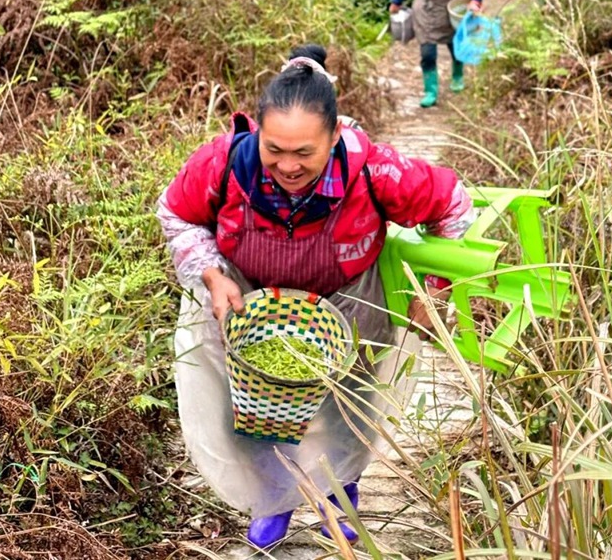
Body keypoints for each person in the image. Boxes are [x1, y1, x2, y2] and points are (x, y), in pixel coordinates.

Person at [157, 44, 476, 549]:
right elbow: (177, 212)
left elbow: (454, 205)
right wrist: (211, 274)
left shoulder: (375, 170)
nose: (288, 165)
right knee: (245, 412)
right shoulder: (223, 164)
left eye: (305, 152)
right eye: (275, 150)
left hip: (347, 303)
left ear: (335, 135)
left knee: (345, 408)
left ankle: (338, 495)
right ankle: (275, 499)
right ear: (258, 133)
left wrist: (436, 290)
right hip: (248, 306)